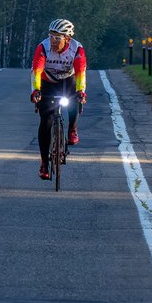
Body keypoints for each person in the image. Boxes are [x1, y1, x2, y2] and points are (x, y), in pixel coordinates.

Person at [29, 17, 86, 181]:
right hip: (48, 81)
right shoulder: (43, 47)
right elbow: (36, 71)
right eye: (51, 36)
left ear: (67, 39)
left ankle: (72, 129)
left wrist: (81, 91)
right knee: (45, 121)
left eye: (57, 38)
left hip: (69, 80)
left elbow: (81, 73)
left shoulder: (77, 49)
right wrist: (36, 91)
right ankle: (44, 164)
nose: (53, 41)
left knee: (75, 99)